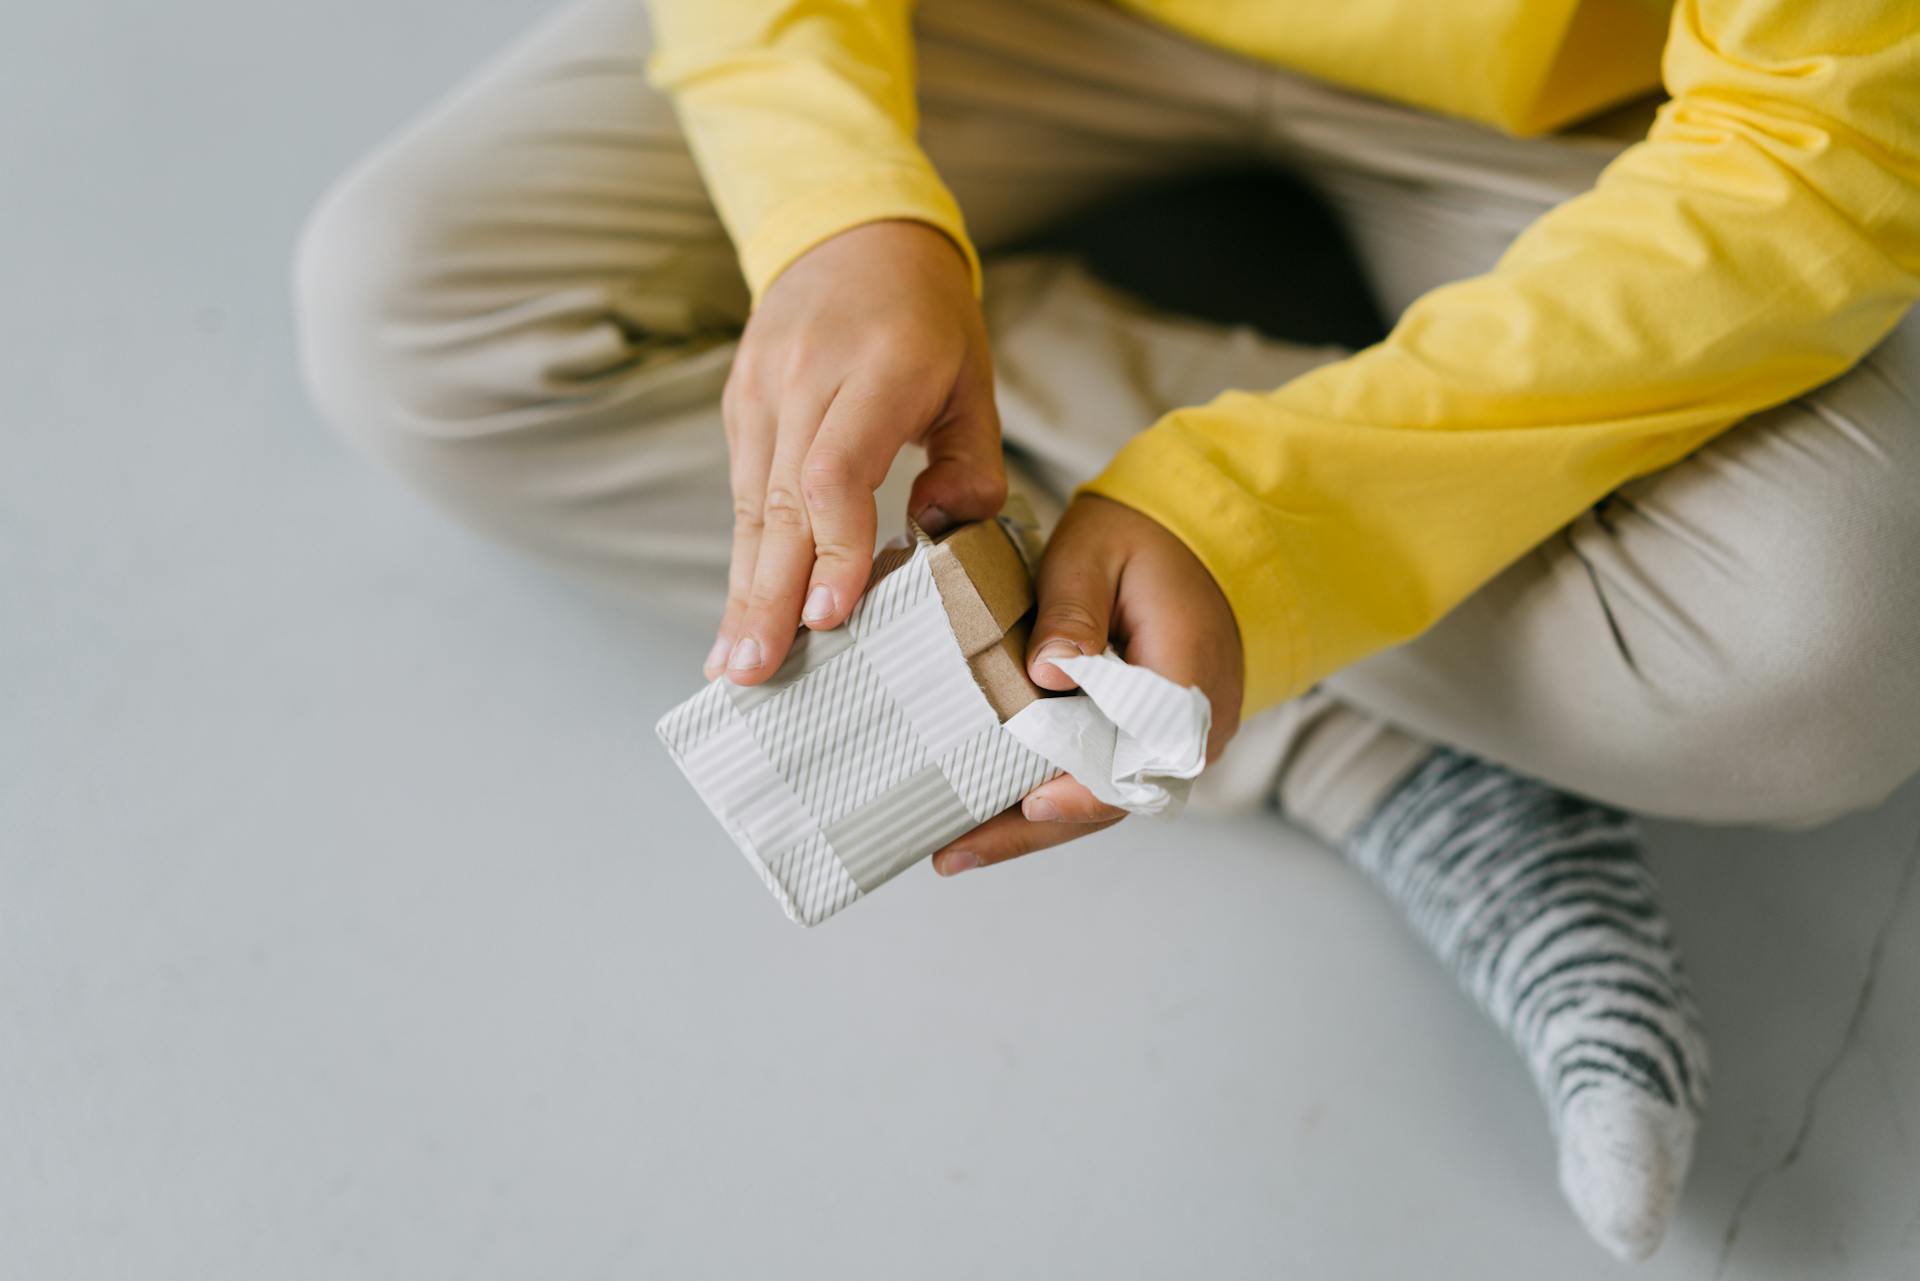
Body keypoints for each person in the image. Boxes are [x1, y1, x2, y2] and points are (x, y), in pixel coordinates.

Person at [294, 0, 1920, 1260]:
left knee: (1826, 657)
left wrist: (1263, 517)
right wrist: (836, 215)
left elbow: (1814, 148)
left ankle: (1191, 576)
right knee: (416, 307)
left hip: (1615, 110)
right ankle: (1369, 741)